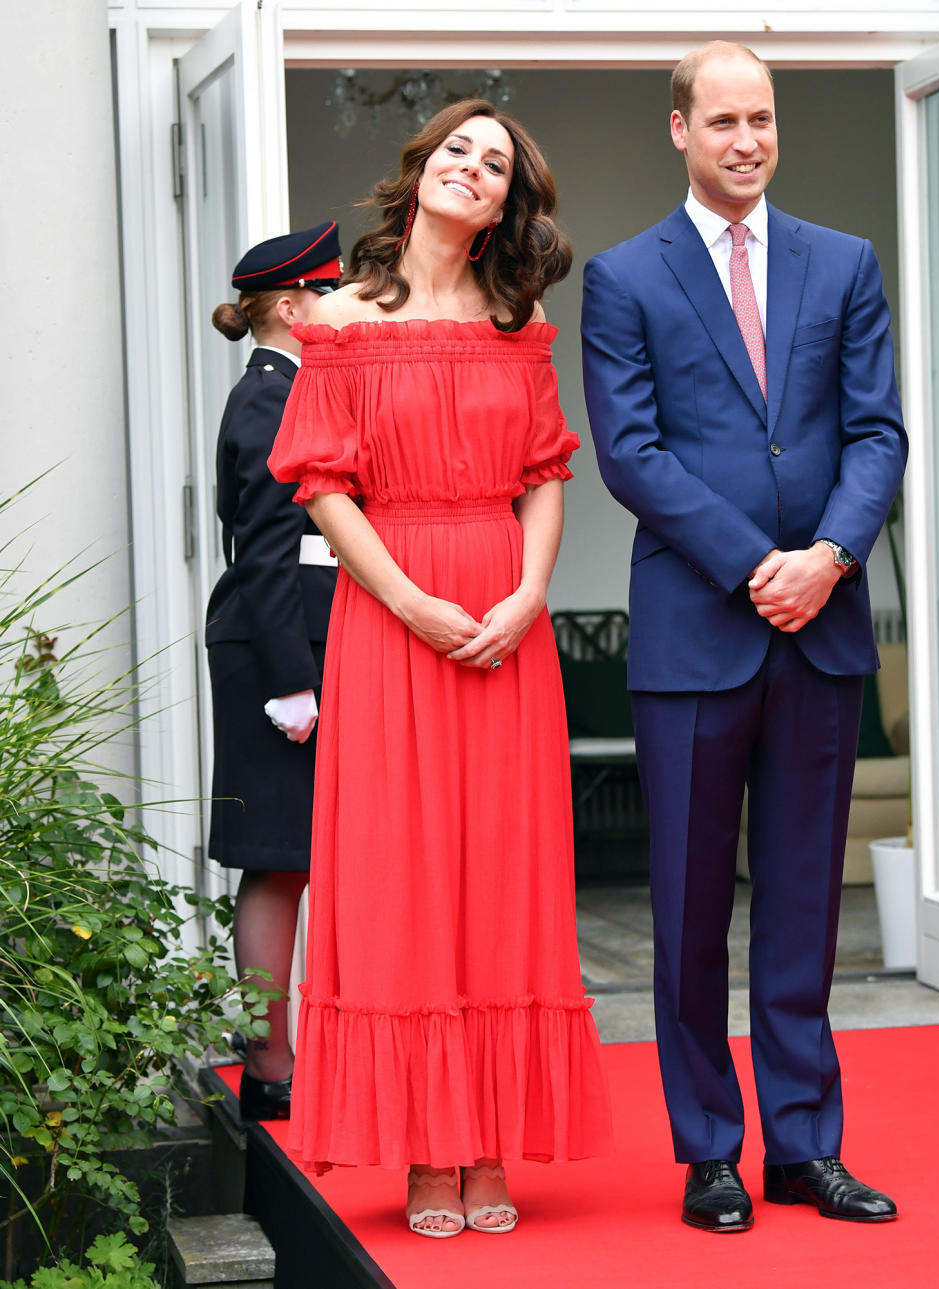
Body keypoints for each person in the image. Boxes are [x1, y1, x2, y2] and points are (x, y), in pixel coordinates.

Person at [268, 100, 613, 1238]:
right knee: (400, 875)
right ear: (421, 174)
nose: (475, 167)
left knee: (501, 877)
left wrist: (528, 593)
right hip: (389, 612)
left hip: (505, 618)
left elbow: (548, 471)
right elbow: (322, 485)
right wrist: (410, 598)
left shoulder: (521, 325)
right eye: (459, 149)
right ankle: (426, 1148)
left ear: (509, 203)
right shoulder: (341, 322)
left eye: (498, 162)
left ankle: (487, 1141)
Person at [581, 42, 908, 1233]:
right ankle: (709, 1147)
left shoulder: (844, 263)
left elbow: (878, 432)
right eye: (722, 120)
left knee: (807, 903)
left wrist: (827, 556)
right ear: (680, 130)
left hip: (818, 629)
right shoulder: (626, 278)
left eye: (761, 119)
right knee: (686, 910)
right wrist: (753, 563)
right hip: (692, 636)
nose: (746, 141)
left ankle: (805, 1146)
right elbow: (630, 452)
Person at [206, 222, 342, 1121]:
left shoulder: (299, 390)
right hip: (278, 646)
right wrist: (293, 680)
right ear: (290, 306)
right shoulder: (269, 398)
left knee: (304, 855)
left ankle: (291, 1058)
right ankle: (270, 1064)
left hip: (307, 639)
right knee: (278, 859)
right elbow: (263, 552)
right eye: (325, 293)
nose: (338, 307)